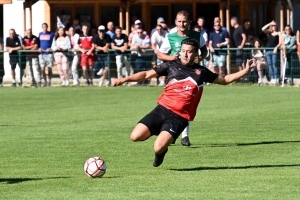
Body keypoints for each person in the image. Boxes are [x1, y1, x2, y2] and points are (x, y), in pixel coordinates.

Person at [111, 38, 255, 167]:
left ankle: (161, 151)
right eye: (183, 51)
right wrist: (124, 79)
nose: (185, 54)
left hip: (179, 117)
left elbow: (225, 80)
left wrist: (246, 70)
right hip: (161, 109)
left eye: (189, 52)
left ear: (196, 54)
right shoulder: (170, 66)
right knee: (135, 136)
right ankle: (163, 134)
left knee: (158, 147)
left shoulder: (201, 72)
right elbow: (146, 74)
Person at [157, 10, 207, 146]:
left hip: (192, 74)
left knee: (186, 104)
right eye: (179, 21)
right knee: (170, 104)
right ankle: (169, 131)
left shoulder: (197, 36)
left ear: (189, 22)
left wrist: (200, 57)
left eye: (184, 21)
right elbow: (160, 54)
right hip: (174, 74)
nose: (182, 24)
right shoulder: (170, 37)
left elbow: (204, 50)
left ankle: (184, 136)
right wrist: (170, 58)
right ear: (175, 22)